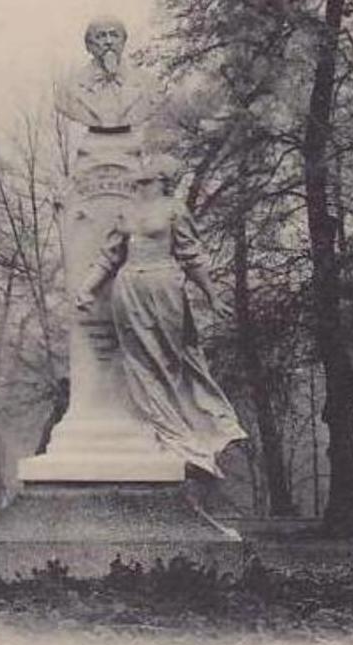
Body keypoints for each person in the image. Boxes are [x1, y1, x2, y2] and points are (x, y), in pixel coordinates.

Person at [75, 154, 247, 478]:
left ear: (162, 177)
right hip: (129, 286)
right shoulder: (126, 210)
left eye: (152, 165)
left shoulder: (174, 210)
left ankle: (195, 434)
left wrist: (211, 294)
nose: (144, 166)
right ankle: (171, 436)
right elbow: (109, 256)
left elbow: (191, 256)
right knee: (140, 362)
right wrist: (87, 289)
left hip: (164, 284)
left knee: (170, 359)